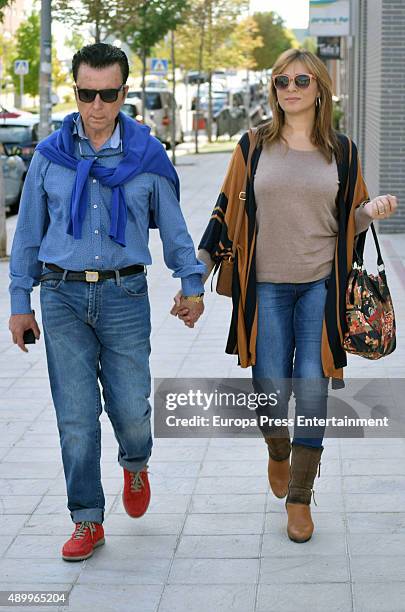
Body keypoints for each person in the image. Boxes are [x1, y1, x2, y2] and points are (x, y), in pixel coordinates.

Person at [172, 48, 398, 543]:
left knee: (313, 388)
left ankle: (299, 496)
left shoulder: (343, 151)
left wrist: (371, 211)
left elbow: (350, 220)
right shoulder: (252, 146)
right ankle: (279, 449)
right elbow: (222, 216)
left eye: (300, 80)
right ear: (273, 90)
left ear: (320, 88)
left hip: (322, 285)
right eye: (281, 81)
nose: (290, 89)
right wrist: (196, 283)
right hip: (266, 287)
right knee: (270, 386)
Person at [8, 43, 205, 562]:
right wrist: (18, 302)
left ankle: (135, 462)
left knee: (131, 409)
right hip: (61, 294)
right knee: (75, 417)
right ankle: (87, 520)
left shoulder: (147, 156)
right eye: (87, 93)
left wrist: (191, 283)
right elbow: (27, 234)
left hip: (124, 294)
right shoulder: (50, 155)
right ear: (76, 91)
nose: (97, 106)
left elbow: (177, 229)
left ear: (124, 92)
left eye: (109, 94)